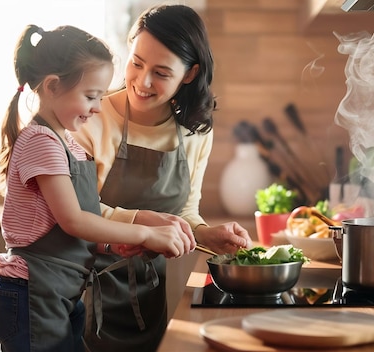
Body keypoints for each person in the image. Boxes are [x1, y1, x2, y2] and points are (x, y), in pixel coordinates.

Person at [0, 24, 195, 352]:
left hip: (60, 295)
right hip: (31, 296)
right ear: (53, 86)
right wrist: (143, 233)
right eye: (90, 96)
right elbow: (74, 221)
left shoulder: (66, 141)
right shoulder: (41, 141)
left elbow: (73, 223)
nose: (98, 107)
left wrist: (109, 246)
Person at [73, 4, 253, 352]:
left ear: (189, 74)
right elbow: (76, 213)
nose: (142, 81)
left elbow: (185, 210)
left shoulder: (194, 133)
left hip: (147, 295)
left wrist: (207, 235)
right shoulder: (91, 118)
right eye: (136, 63)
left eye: (161, 72)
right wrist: (143, 223)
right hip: (82, 292)